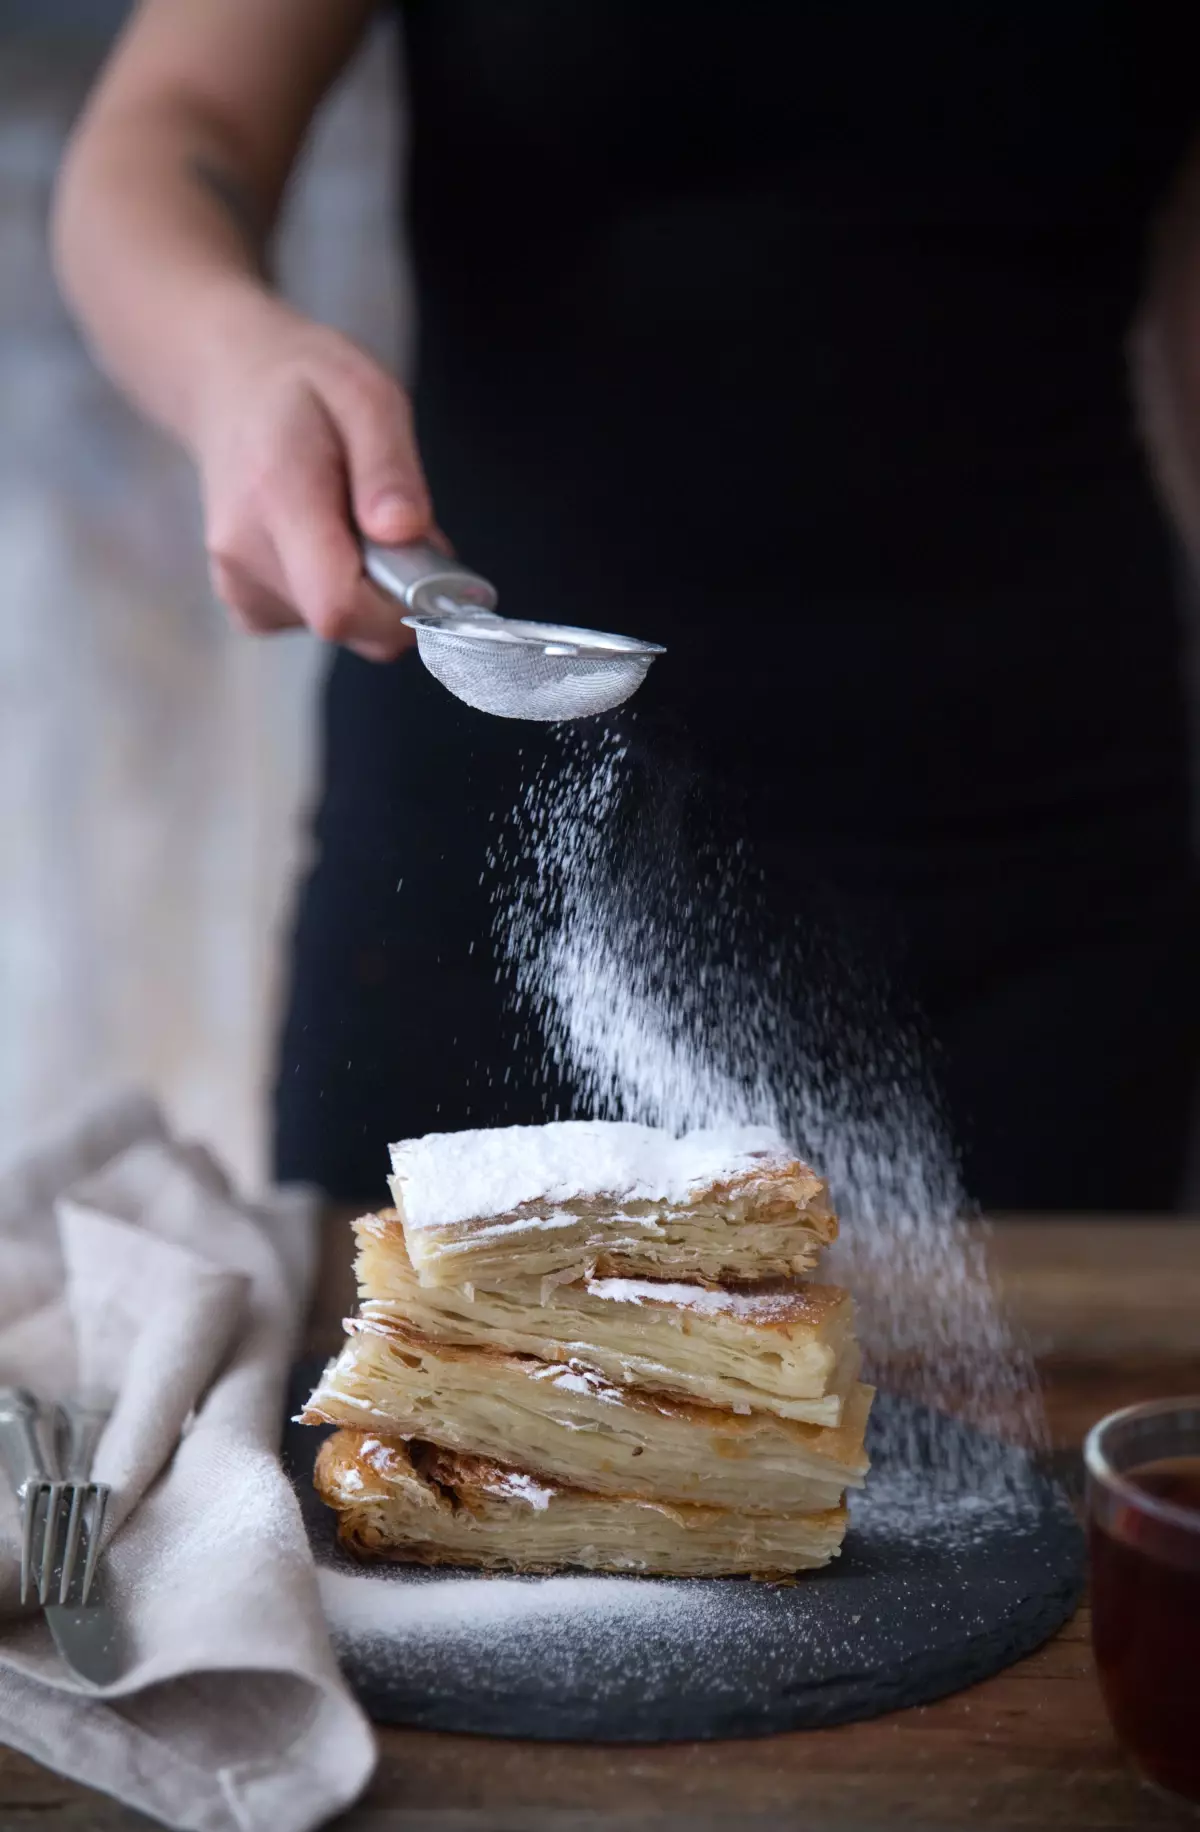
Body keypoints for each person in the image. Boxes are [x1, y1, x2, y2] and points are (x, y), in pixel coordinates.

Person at [54, 1, 1200, 1213]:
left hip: (1036, 862)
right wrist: (231, 358)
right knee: (435, 1376)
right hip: (496, 836)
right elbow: (173, 128)